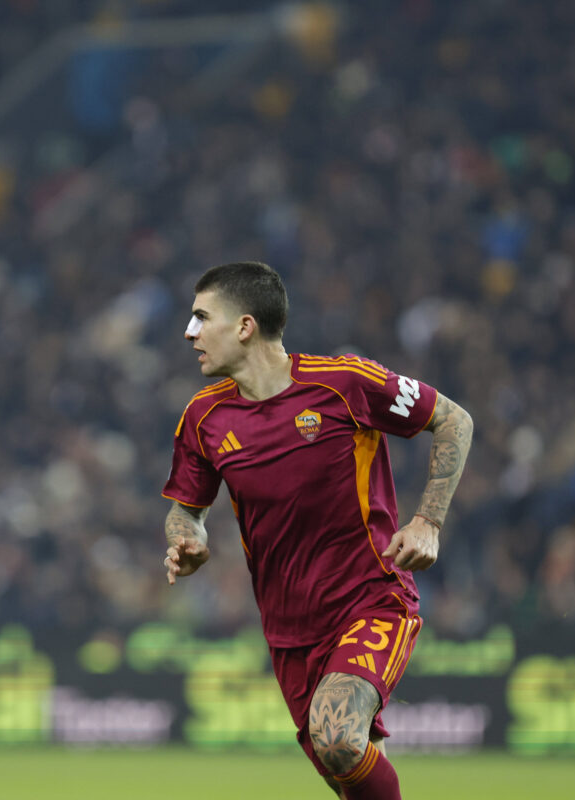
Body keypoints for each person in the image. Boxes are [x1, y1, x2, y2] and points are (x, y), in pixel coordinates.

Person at [161, 262, 473, 799]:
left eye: (200, 317)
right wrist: (187, 538)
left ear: (244, 326)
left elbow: (453, 420)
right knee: (343, 769)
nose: (189, 333)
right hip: (288, 633)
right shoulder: (203, 419)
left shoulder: (344, 383)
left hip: (369, 601)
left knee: (337, 739)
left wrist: (428, 521)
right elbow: (186, 509)